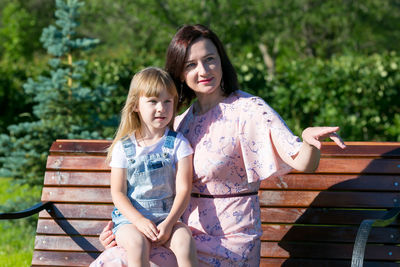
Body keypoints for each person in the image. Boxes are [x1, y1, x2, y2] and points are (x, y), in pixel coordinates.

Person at [91, 24, 346, 267]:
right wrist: (125, 228)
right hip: (181, 235)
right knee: (116, 257)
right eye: (191, 64)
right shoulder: (182, 122)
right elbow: (150, 185)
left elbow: (303, 162)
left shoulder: (248, 110)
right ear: (179, 72)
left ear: (221, 60)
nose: (203, 70)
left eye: (210, 59)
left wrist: (308, 140)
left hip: (229, 242)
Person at [100, 67, 198, 267]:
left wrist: (170, 223)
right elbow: (118, 193)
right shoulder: (124, 148)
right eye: (153, 101)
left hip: (167, 217)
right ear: (136, 105)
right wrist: (138, 221)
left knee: (184, 241)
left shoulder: (179, 144)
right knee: (137, 244)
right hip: (130, 221)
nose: (161, 108)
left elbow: (183, 190)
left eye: (167, 101)